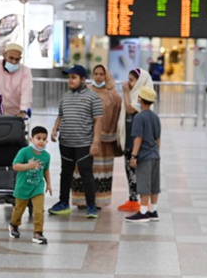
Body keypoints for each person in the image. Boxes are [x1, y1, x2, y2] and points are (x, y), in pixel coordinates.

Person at [48, 65, 104, 218]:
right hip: (65, 143)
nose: (70, 80)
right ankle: (63, 203)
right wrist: (54, 129)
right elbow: (60, 115)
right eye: (69, 77)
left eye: (74, 77)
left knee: (86, 174)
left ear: (83, 80)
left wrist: (96, 142)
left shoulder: (93, 97)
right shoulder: (65, 96)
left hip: (84, 143)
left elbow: (98, 121)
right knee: (65, 173)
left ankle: (91, 206)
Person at [72, 65, 123, 210]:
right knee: (83, 168)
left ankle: (98, 201)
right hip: (85, 138)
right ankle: (81, 200)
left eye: (102, 74)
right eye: (96, 73)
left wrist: (111, 135)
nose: (99, 76)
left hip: (105, 141)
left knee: (100, 170)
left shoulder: (113, 94)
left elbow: (117, 115)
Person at [117, 68, 155, 213]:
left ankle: (139, 201)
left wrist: (126, 92)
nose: (128, 83)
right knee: (130, 172)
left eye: (132, 80)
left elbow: (129, 108)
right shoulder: (135, 95)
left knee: (136, 173)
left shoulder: (142, 98)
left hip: (137, 145)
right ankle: (133, 199)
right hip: (129, 141)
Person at [9, 126, 52, 245]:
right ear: (31, 139)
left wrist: (48, 184)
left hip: (37, 187)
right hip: (23, 187)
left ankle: (38, 233)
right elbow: (15, 166)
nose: (41, 141)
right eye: (38, 138)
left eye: (44, 139)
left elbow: (46, 170)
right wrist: (29, 166)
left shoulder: (46, 156)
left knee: (39, 210)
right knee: (19, 210)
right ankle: (13, 225)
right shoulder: (24, 152)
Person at [125, 87, 162, 223]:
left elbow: (138, 138)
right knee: (154, 184)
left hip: (145, 156)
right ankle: (153, 211)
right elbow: (158, 139)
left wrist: (133, 156)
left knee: (145, 184)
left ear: (140, 99)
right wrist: (157, 152)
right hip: (155, 155)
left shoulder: (139, 117)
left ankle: (143, 212)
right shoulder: (155, 117)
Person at [0, 43, 33, 117]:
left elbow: (26, 92)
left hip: (15, 115)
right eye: (11, 58)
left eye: (17, 59)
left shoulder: (25, 71)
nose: (14, 62)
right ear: (4, 55)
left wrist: (23, 110)